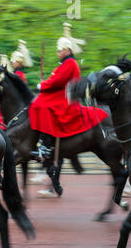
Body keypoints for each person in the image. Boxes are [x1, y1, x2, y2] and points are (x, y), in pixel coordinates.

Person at [28, 23, 108, 169]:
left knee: (40, 105)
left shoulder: (70, 63)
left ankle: (45, 146)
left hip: (65, 97)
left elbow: (58, 81)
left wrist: (42, 85)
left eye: (60, 50)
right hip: (59, 94)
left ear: (67, 50)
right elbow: (55, 79)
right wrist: (45, 83)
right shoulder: (65, 63)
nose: (58, 52)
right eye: (58, 50)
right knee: (38, 102)